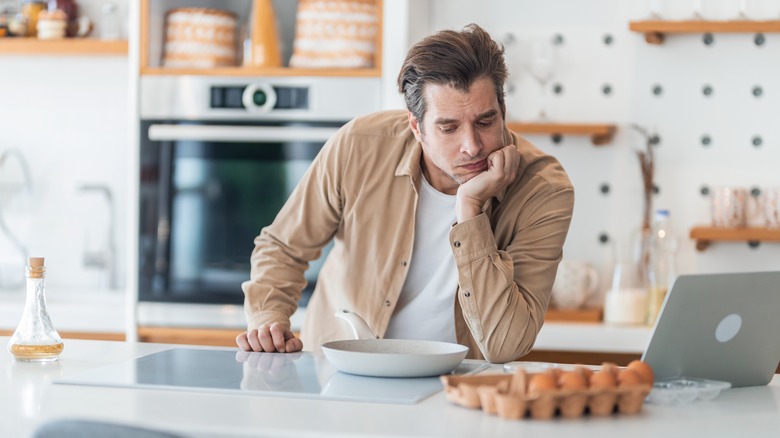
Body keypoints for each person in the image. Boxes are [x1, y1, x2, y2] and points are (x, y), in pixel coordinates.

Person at [236, 23, 574, 363]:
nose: (472, 146)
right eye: (449, 127)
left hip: (456, 387)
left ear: (503, 112)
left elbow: (505, 345)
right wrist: (268, 319)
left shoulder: (543, 190)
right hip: (344, 372)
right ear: (417, 126)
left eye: (485, 122)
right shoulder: (359, 145)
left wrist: (470, 209)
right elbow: (283, 247)